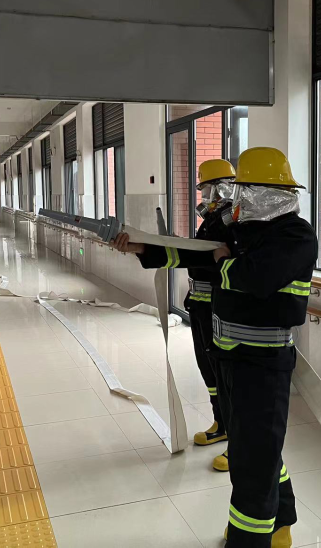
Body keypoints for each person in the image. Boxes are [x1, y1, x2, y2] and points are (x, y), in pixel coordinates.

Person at [115, 147, 317, 548]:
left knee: (253, 459)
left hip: (263, 364)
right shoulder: (244, 231)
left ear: (270, 193)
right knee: (254, 450)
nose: (237, 200)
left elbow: (255, 278)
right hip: (232, 358)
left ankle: (249, 539)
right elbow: (199, 253)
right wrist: (141, 247)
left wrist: (224, 260)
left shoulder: (294, 235)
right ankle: (281, 523)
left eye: (246, 191)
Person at [124, 159, 236, 452]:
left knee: (225, 375)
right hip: (199, 306)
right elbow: (193, 256)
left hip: (218, 309)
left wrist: (155, 248)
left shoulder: (231, 225)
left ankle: (236, 439)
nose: (206, 196)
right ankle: (221, 424)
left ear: (223, 188)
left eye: (208, 189)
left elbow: (205, 259)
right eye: (204, 190)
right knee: (208, 370)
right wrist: (150, 247)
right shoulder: (211, 222)